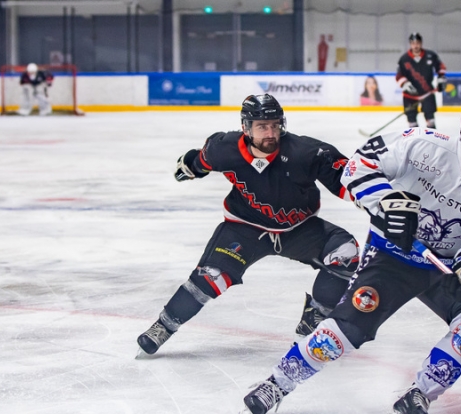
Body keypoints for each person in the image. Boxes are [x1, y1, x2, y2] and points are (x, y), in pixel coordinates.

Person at [238, 93, 461, 414]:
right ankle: (278, 383)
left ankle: (419, 394)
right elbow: (358, 166)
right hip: (393, 257)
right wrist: (388, 202)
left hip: (444, 266)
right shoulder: (423, 145)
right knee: (346, 329)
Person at [136, 94, 360, 358]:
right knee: (211, 276)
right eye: (262, 126)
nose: (270, 133)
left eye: (275, 125)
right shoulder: (225, 148)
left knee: (346, 252)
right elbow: (203, 160)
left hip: (298, 230)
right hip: (245, 228)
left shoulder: (305, 153)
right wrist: (191, 166)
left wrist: (378, 195)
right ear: (246, 128)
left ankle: (315, 317)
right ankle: (164, 326)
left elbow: (350, 181)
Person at [396, 33, 447, 129]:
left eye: (418, 43)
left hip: (427, 93)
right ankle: (415, 142)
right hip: (409, 96)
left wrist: (441, 79)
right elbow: (399, 75)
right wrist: (405, 83)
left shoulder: (431, 55)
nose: (416, 45)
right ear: (410, 44)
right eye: (413, 43)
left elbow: (441, 67)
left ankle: (431, 141)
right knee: (412, 123)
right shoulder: (404, 59)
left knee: (431, 121)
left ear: (421, 43)